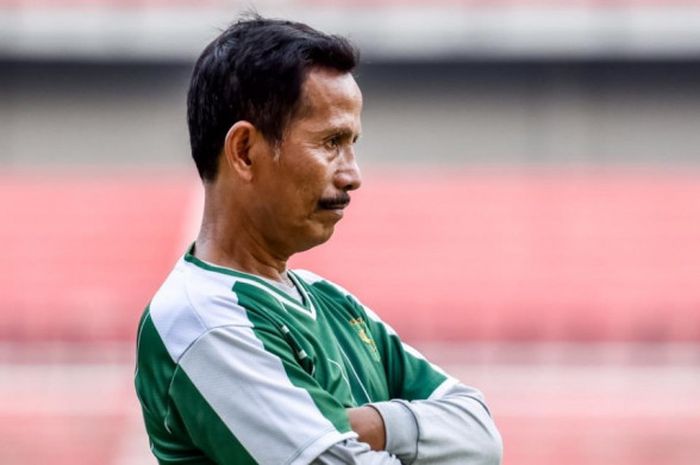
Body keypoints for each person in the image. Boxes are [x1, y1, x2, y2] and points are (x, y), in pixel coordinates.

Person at [135, 15, 502, 465]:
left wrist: (367, 424)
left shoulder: (332, 303)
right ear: (245, 151)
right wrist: (411, 432)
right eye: (331, 142)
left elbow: (481, 434)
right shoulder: (204, 321)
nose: (353, 175)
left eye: (353, 144)